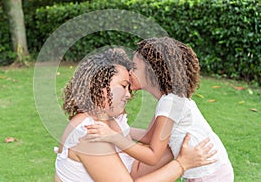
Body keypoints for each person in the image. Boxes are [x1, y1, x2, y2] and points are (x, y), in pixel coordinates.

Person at [55, 47, 217, 182]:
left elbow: (135, 170)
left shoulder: (111, 123)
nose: (128, 94)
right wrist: (182, 164)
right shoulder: (90, 135)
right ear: (100, 86)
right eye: (124, 86)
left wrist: (180, 141)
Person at [86, 38, 233, 181]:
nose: (130, 72)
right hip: (208, 170)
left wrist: (113, 136)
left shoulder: (170, 103)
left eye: (135, 68)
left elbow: (153, 155)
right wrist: (118, 127)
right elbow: (150, 137)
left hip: (210, 173)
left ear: (153, 72)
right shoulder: (169, 100)